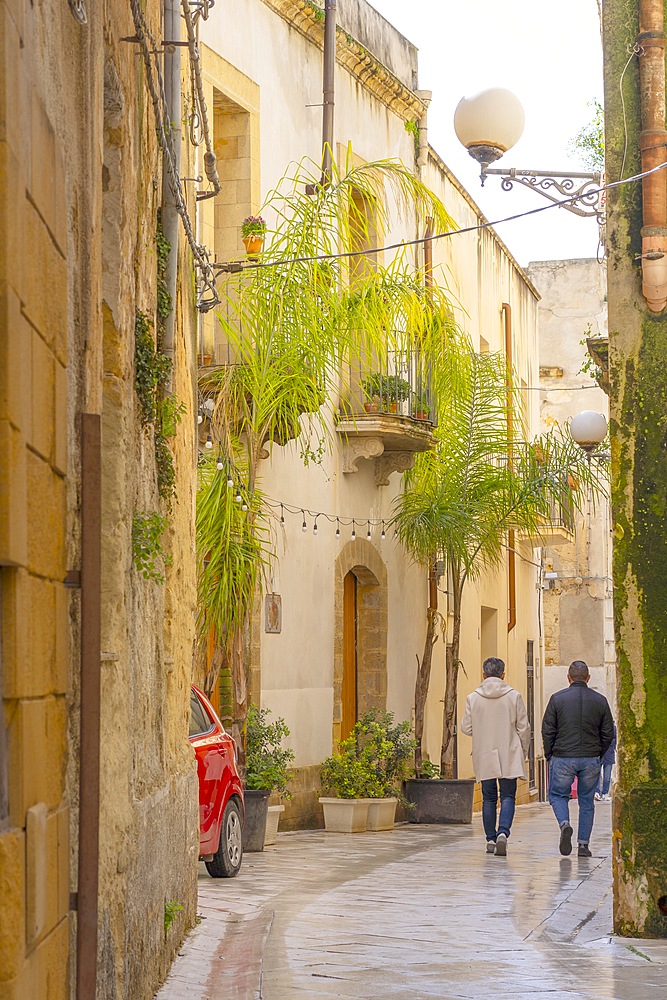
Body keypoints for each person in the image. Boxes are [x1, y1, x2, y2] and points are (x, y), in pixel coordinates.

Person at [541, 660, 614, 858]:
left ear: (568, 678)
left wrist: (550, 754)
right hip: (590, 758)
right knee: (587, 801)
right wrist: (599, 753)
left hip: (563, 756)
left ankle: (565, 824)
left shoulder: (557, 699)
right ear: (588, 678)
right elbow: (608, 732)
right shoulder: (600, 701)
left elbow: (547, 730)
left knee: (557, 795)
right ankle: (583, 845)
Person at [461, 656, 531, 856]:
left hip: (484, 753)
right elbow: (524, 728)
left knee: (488, 797)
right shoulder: (514, 696)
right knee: (508, 795)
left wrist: (482, 730)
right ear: (503, 675)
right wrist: (522, 751)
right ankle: (503, 833)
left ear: (483, 674)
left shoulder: (473, 698)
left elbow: (466, 727)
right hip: (509, 751)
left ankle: (490, 839)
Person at [595, 722, 617, 802]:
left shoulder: (613, 728)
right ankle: (598, 792)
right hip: (601, 753)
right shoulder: (599, 727)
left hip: (607, 753)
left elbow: (615, 739)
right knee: (598, 774)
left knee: (606, 776)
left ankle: (604, 793)